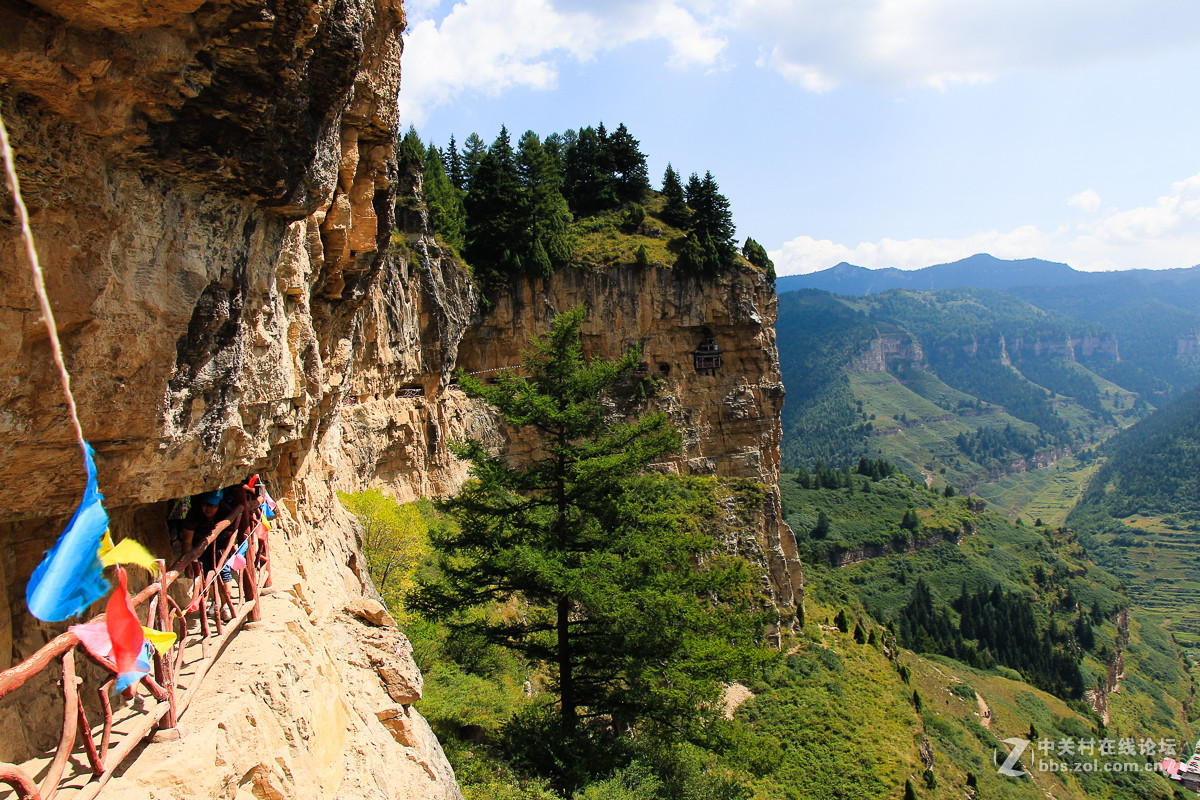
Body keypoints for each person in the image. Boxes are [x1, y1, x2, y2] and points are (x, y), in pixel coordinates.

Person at [181, 490, 243, 622]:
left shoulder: (225, 511)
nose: (208, 509)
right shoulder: (194, 514)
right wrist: (188, 562)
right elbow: (187, 541)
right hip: (200, 544)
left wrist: (229, 550)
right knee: (206, 572)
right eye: (206, 505)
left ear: (218, 505)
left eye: (213, 506)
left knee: (224, 572)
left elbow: (230, 534)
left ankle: (225, 605)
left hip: (220, 543)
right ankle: (215, 602)